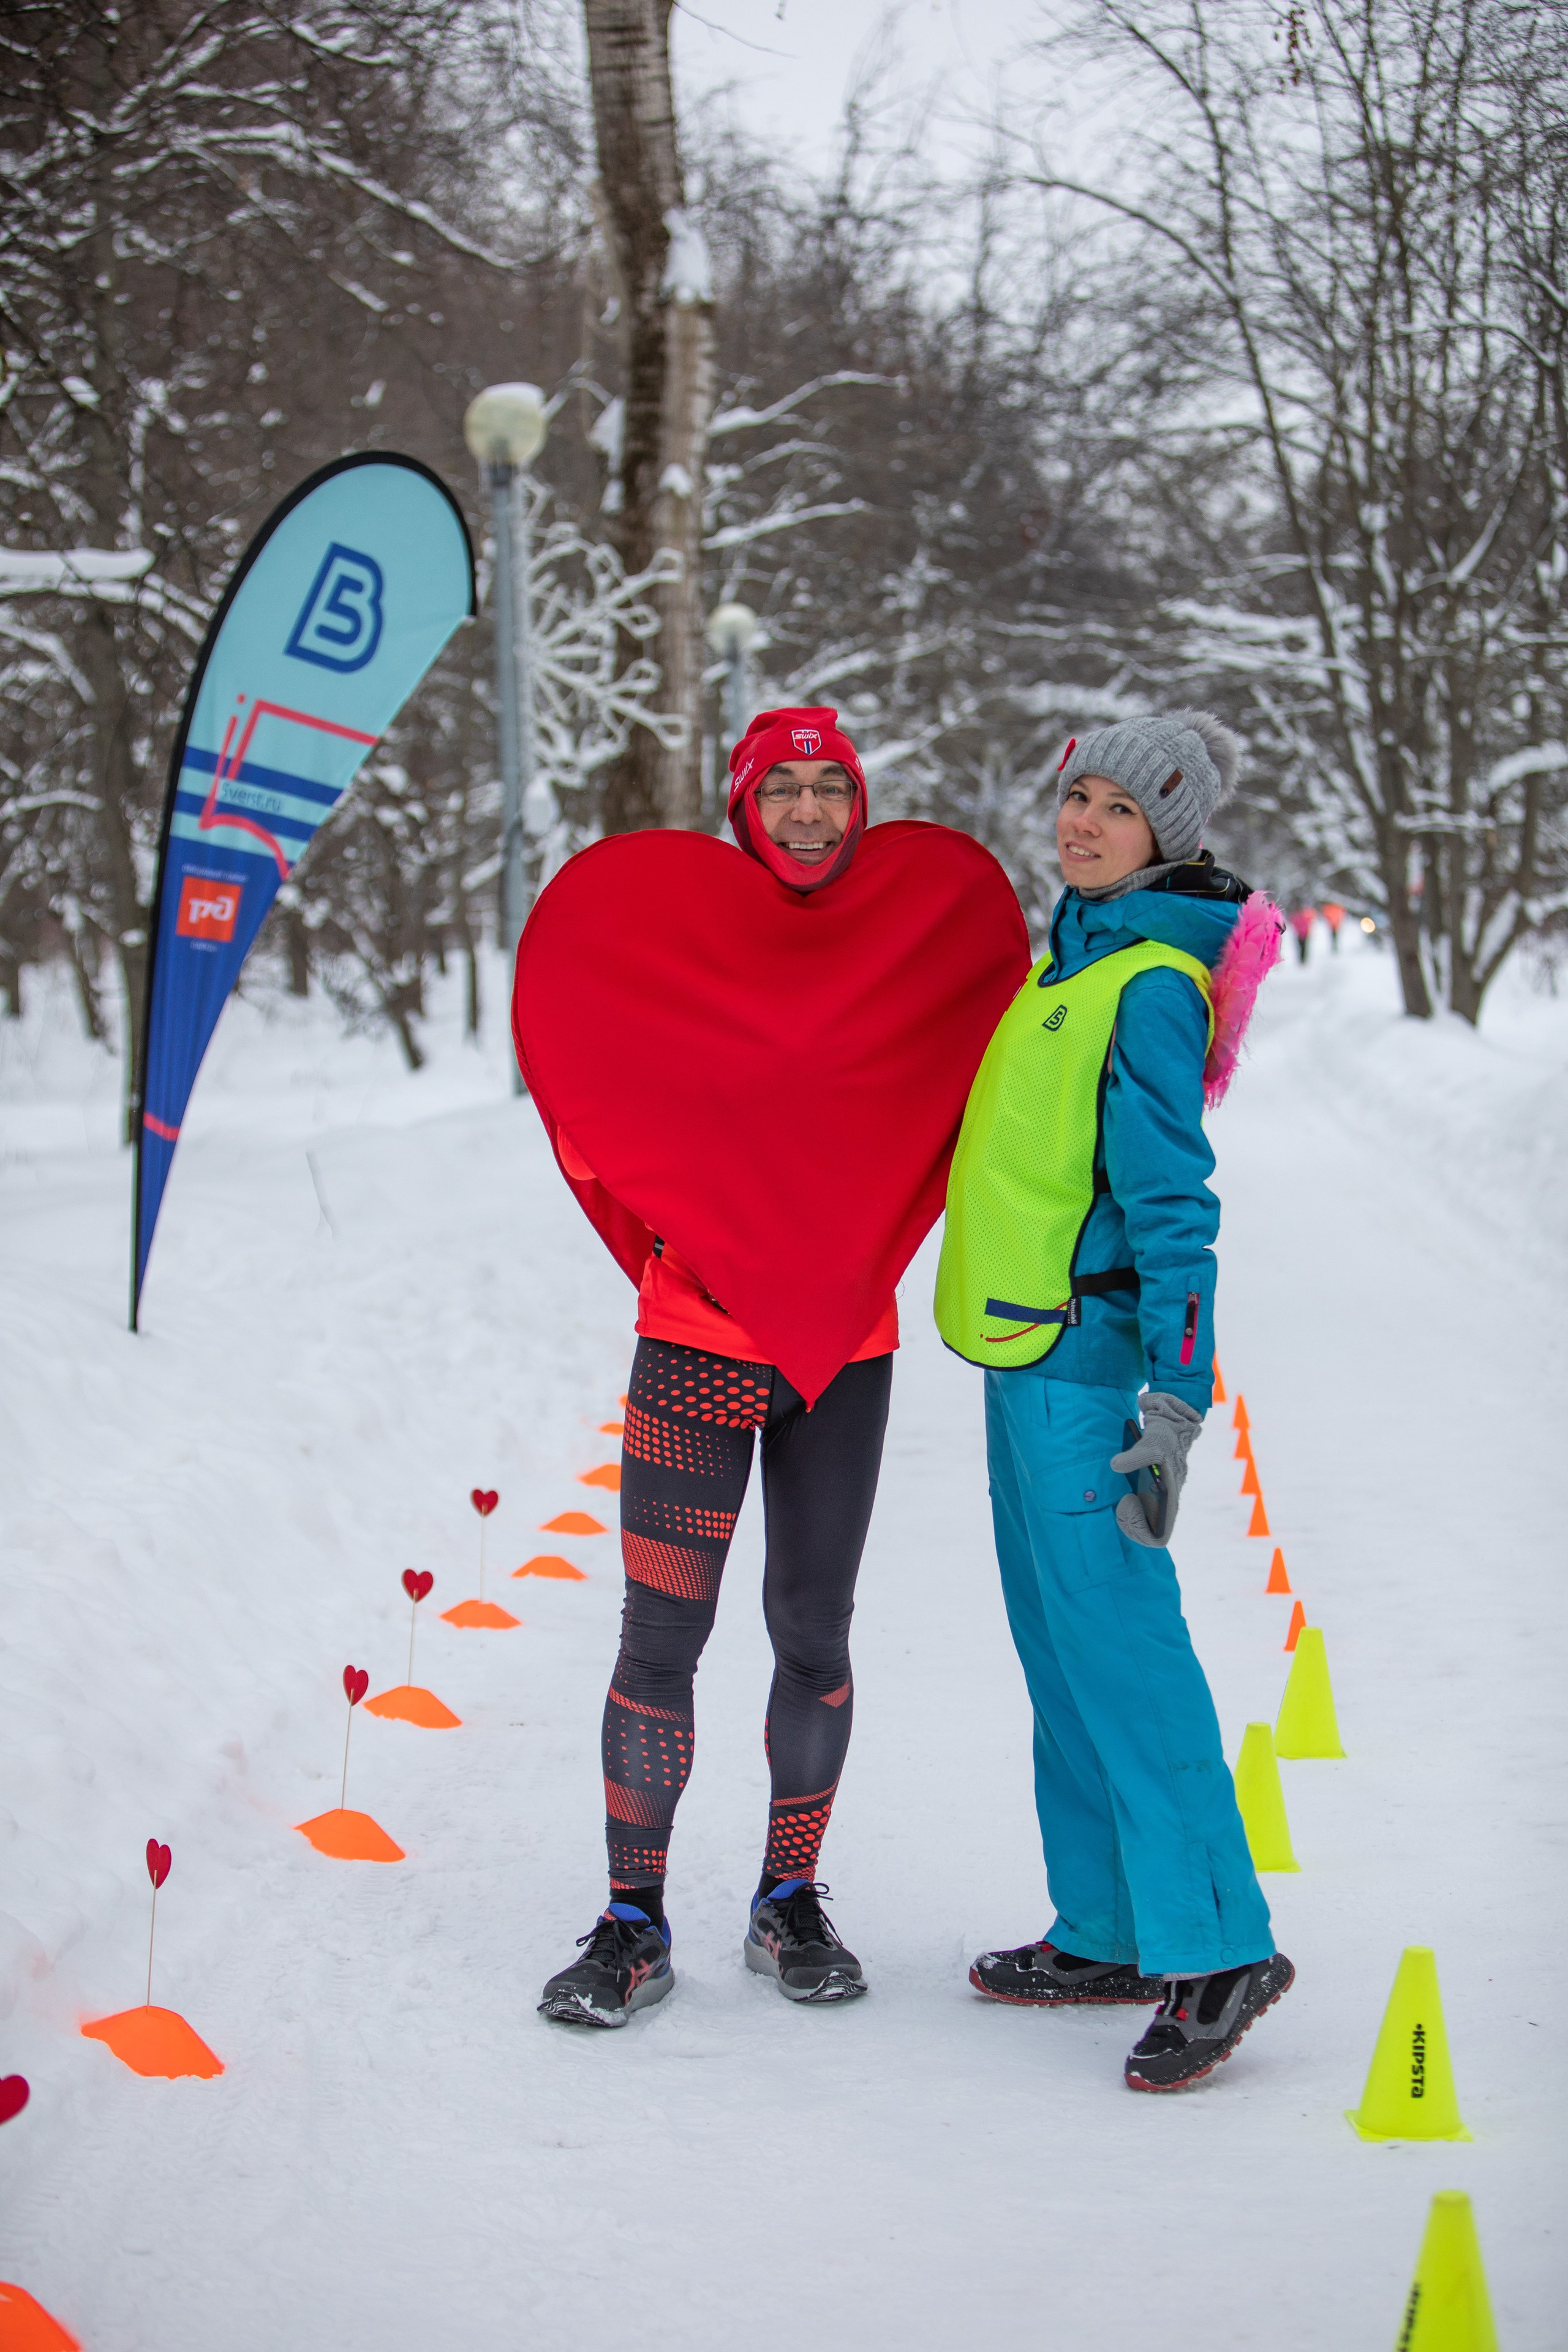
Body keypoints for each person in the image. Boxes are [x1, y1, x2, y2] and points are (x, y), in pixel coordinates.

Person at [513, 707, 1028, 2027]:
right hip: (694, 1346)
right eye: (782, 788)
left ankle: (785, 1902)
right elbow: (590, 1102)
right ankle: (630, 1921)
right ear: (742, 803)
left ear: (859, 802)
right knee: (659, 1640)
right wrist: (667, 1249)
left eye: (830, 788)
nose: (808, 812)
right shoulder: (680, 944)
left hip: (841, 1357)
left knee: (811, 1634)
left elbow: (967, 1090)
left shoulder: (897, 952)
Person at [934, 709, 1294, 2093]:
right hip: (1024, 1362)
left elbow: (1171, 1208)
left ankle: (1217, 1946)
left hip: (1094, 1374)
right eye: (1074, 795)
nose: (1081, 823)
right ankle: (1107, 1927)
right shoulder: (1067, 962)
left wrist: (1174, 1401)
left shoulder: (1143, 983)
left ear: (1167, 836)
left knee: (1126, 1656)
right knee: (1058, 1650)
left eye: (1116, 810)